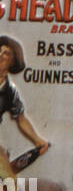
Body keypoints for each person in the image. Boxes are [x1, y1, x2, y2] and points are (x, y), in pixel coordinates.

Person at [0, 34, 49, 179]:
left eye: (6, 53)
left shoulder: (10, 91)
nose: (0, 55)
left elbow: (20, 119)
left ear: (13, 60)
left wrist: (37, 140)